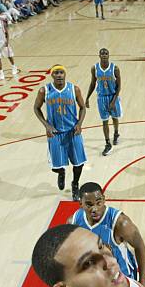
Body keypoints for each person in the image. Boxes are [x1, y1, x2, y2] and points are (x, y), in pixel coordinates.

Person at [68, 182, 145, 286]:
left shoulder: (121, 223)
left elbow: (139, 246)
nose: (95, 209)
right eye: (89, 204)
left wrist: (142, 280)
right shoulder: (73, 222)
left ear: (104, 199)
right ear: (80, 203)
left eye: (98, 202)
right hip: (96, 277)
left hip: (122, 276)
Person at [34, 64, 87, 201]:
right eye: (56, 73)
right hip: (55, 133)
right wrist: (46, 125)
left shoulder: (74, 89)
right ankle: (61, 172)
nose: (59, 75)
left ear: (65, 74)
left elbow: (82, 107)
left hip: (72, 131)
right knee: (56, 166)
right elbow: (36, 108)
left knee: (79, 162)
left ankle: (75, 184)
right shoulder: (44, 90)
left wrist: (79, 124)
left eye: (61, 72)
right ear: (52, 75)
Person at [85, 48, 122, 156]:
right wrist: (87, 98)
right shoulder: (95, 68)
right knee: (104, 121)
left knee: (115, 118)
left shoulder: (115, 68)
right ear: (99, 55)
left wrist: (113, 101)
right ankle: (107, 143)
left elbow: (119, 86)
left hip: (112, 96)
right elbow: (92, 84)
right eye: (102, 54)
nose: (104, 55)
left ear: (109, 55)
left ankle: (116, 133)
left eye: (106, 53)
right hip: (101, 98)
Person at [0, 9, 18, 80]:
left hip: (3, 42)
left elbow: (7, 33)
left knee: (9, 56)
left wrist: (7, 41)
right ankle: (1, 73)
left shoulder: (2, 23)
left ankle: (14, 67)